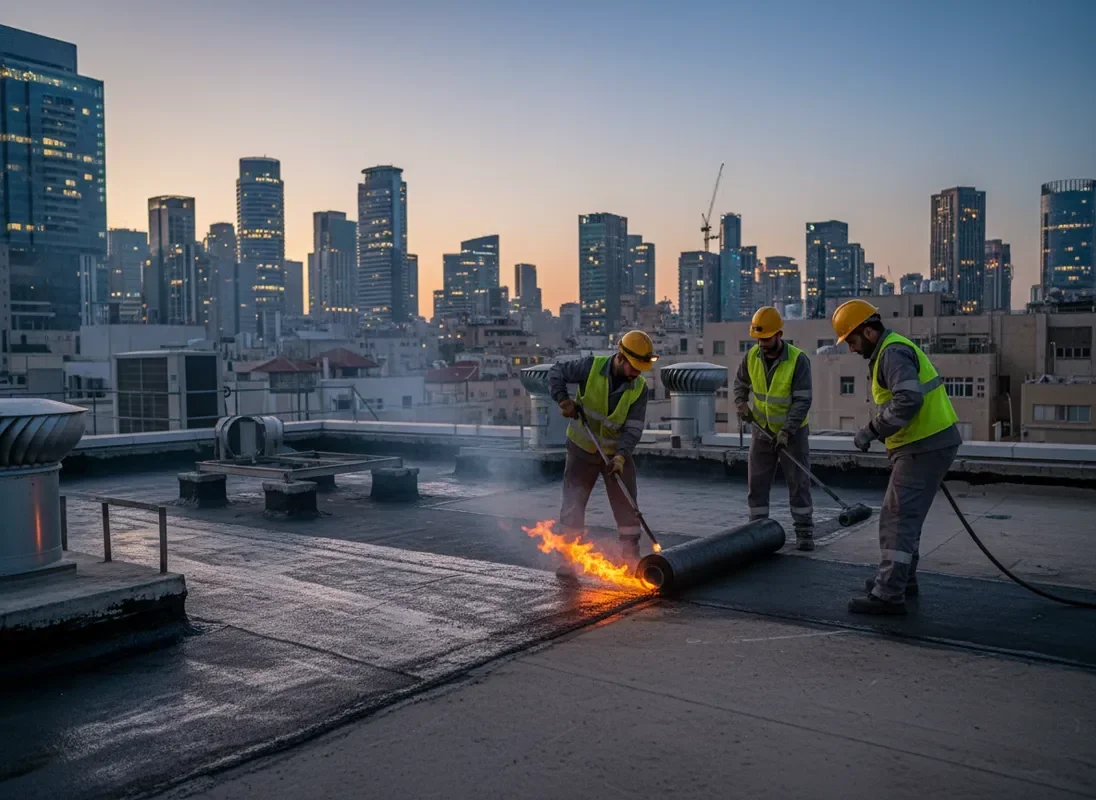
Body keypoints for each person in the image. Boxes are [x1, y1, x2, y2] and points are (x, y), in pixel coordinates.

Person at [832, 299, 962, 615]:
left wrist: (872, 430)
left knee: (896, 518)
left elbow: (908, 400)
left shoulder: (891, 353)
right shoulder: (891, 350)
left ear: (868, 331)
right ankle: (903, 580)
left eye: (851, 340)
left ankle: (889, 593)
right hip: (926, 444)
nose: (850, 348)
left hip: (924, 445)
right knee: (906, 516)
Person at [547, 330, 656, 574]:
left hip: (616, 454)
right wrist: (563, 400)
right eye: (634, 366)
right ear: (620, 357)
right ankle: (567, 557)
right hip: (582, 449)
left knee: (627, 504)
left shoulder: (639, 388)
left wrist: (620, 456)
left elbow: (633, 427)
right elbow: (556, 372)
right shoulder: (590, 367)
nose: (637, 373)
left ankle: (630, 558)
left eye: (641, 368)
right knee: (573, 504)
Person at [733, 306, 815, 551]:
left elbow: (803, 401)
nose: (762, 343)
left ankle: (804, 532)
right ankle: (757, 530)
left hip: (793, 434)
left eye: (767, 338)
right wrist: (741, 403)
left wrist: (787, 432)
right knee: (756, 483)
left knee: (798, 483)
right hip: (761, 431)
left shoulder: (798, 361)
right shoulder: (752, 357)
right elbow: (740, 383)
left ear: (779, 334)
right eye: (759, 339)